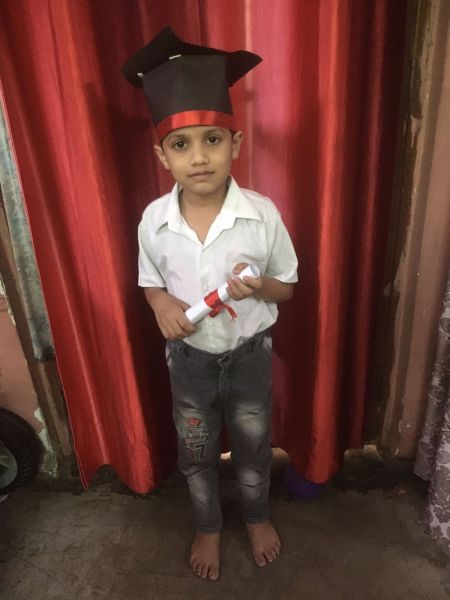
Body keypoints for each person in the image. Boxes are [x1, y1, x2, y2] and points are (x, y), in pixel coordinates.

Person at [122, 27, 298, 581]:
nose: (199, 157)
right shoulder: (154, 220)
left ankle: (256, 515)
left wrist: (259, 286)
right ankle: (208, 524)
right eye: (181, 145)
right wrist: (159, 304)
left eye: (213, 140)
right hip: (189, 361)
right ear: (162, 155)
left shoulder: (261, 215)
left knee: (253, 444)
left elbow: (286, 287)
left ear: (235, 144)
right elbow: (151, 283)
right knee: (196, 450)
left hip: (248, 355)